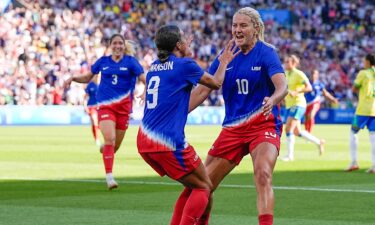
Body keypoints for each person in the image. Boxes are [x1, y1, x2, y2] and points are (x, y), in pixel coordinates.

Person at [188, 7, 287, 225]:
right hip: (232, 130)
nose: (237, 30)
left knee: (262, 174)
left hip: (263, 126)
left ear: (256, 28)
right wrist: (176, 113)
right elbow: (204, 90)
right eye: (235, 25)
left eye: (243, 25)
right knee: (203, 185)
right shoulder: (226, 55)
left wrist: (273, 98)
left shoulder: (266, 52)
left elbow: (282, 86)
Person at [137, 25, 238, 225]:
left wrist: (183, 52)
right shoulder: (184, 66)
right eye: (183, 39)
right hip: (168, 142)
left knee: (196, 186)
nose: (187, 40)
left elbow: (181, 102)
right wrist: (224, 61)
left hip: (144, 141)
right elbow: (216, 83)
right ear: (178, 45)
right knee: (204, 188)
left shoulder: (154, 68)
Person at [64, 34, 146, 190]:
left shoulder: (131, 62)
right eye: (114, 43)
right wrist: (73, 78)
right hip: (105, 107)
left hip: (124, 109)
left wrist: (145, 91)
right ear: (110, 45)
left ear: (123, 46)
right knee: (110, 139)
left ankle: (105, 150)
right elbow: (88, 77)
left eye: (120, 43)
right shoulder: (103, 62)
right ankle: (109, 177)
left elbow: (144, 78)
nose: (117, 46)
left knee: (114, 146)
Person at [282, 55, 325, 161]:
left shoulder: (299, 74)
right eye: (285, 61)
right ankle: (319, 142)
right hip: (289, 104)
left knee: (288, 128)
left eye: (288, 62)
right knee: (297, 132)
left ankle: (290, 156)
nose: (285, 63)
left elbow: (309, 87)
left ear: (294, 63)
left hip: (298, 103)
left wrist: (297, 92)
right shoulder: (286, 74)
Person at [345, 53, 375, 173]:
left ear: (367, 62)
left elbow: (354, 88)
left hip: (363, 110)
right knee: (373, 137)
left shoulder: (363, 73)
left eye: (364, 60)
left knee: (353, 132)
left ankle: (354, 162)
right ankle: (374, 165)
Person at [84, 75, 101, 146]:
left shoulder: (102, 84)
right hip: (91, 106)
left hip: (100, 107)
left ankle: (98, 136)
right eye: (96, 76)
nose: (97, 77)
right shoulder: (90, 85)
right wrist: (85, 107)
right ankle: (96, 139)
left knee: (100, 124)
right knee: (94, 121)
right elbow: (85, 97)